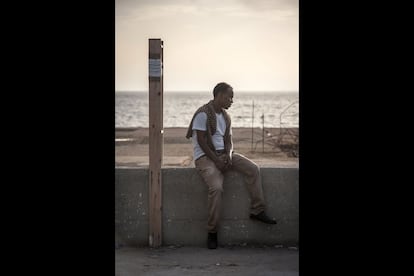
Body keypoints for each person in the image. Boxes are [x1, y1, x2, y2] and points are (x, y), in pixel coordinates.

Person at [186, 82, 277, 249]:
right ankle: (212, 232)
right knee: (216, 187)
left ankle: (257, 210)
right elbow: (201, 141)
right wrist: (217, 160)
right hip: (205, 157)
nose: (231, 101)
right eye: (229, 97)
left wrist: (227, 156)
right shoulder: (203, 114)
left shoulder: (226, 117)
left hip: (223, 154)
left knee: (253, 169)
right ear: (219, 95)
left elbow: (229, 141)